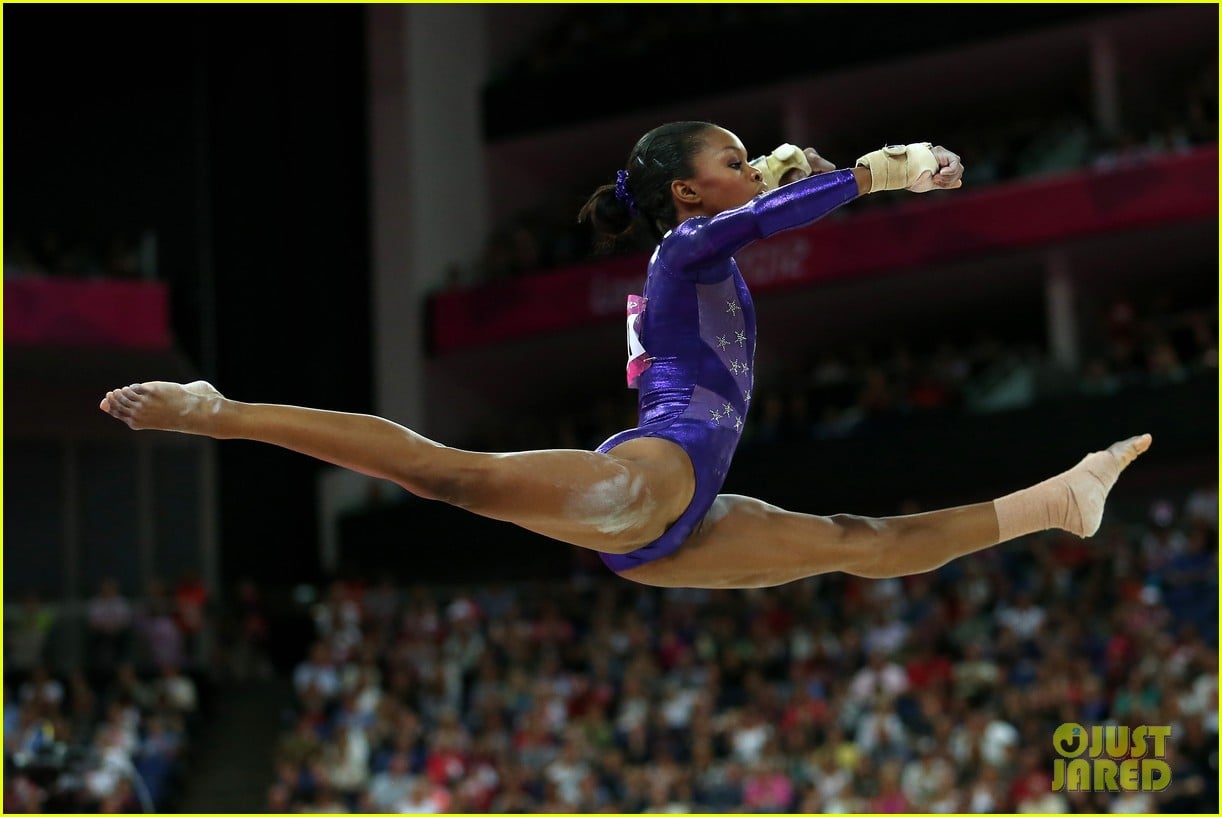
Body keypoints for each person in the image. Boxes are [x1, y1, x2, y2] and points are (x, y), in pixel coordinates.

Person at [99, 121, 1151, 590]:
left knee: (859, 542)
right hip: (659, 474)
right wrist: (876, 174)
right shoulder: (686, 246)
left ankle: (1057, 502)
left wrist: (791, 174)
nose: (753, 165)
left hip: (673, 524)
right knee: (447, 475)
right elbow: (754, 222)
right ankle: (219, 409)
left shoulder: (692, 253)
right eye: (733, 158)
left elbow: (756, 220)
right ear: (688, 192)